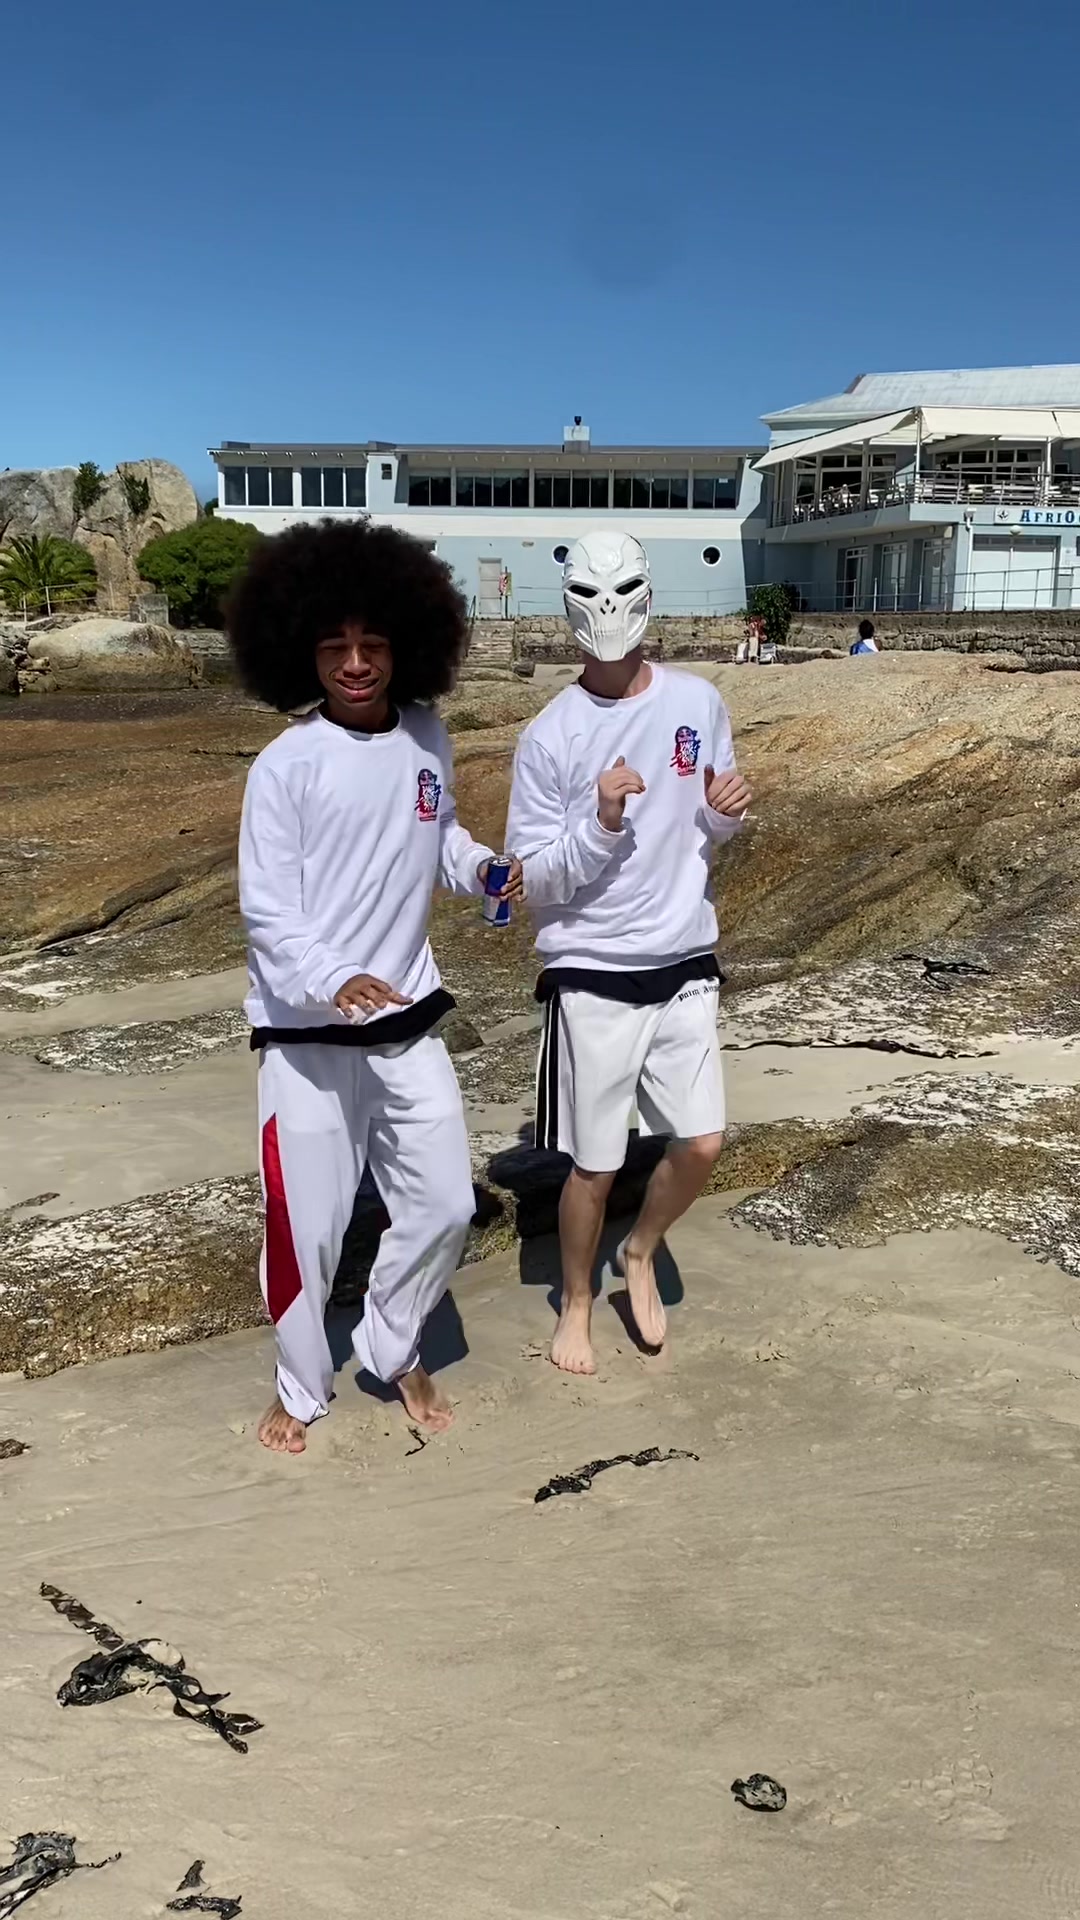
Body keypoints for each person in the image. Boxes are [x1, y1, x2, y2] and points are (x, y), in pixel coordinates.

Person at [228, 519, 522, 1454]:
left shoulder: (428, 735)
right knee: (306, 1229)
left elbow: (439, 838)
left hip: (405, 1016)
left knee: (444, 1205)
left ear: (407, 644)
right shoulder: (284, 766)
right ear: (301, 653)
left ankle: (393, 1347)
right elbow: (267, 911)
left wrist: (481, 869)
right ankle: (299, 1386)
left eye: (374, 644)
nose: (355, 664)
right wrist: (332, 977)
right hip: (304, 1033)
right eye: (334, 647)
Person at [506, 531, 751, 1376]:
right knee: (595, 1164)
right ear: (569, 605)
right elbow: (534, 877)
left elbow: (709, 824)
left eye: (621, 592)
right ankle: (576, 1301)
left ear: (648, 596)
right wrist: (603, 822)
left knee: (703, 1141)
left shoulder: (698, 702)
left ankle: (639, 1251)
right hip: (593, 968)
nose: (607, 610)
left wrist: (724, 813)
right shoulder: (550, 736)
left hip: (683, 954)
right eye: (590, 594)